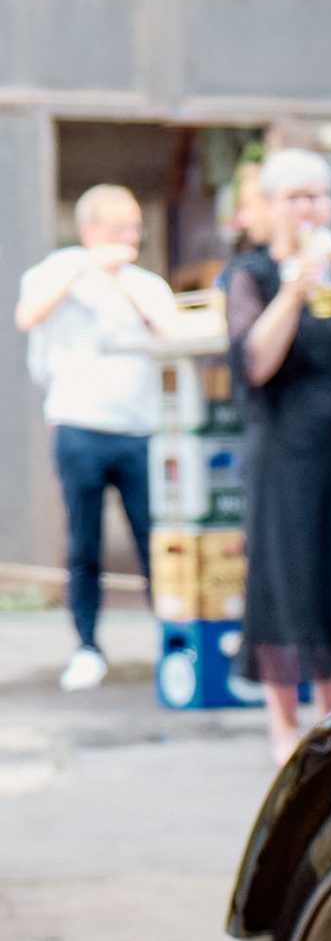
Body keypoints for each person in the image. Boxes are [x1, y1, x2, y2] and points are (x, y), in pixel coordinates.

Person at [223, 150, 331, 762]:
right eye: (296, 197)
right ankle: (282, 723)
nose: (310, 208)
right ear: (272, 207)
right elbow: (255, 361)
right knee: (283, 572)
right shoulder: (251, 277)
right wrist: (292, 292)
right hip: (283, 448)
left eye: (319, 196)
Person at [15, 185, 178, 691]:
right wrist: (86, 267)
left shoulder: (146, 284)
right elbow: (29, 315)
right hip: (78, 425)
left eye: (134, 229)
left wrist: (121, 280)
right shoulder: (55, 272)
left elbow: (170, 335)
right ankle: (86, 645)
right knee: (83, 542)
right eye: (118, 229)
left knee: (153, 538)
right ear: (91, 231)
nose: (129, 238)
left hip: (138, 429)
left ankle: (171, 645)